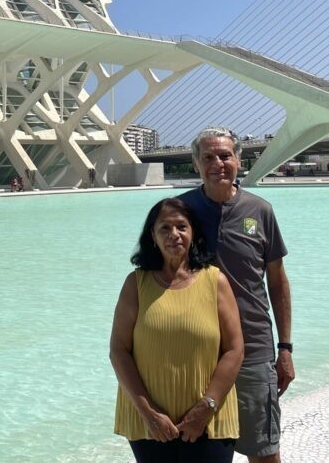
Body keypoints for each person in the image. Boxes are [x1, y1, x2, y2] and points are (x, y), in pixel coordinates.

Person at [180, 127, 293, 463]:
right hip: (195, 350)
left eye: (225, 155)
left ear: (238, 160)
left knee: (263, 451)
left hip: (253, 348)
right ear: (196, 164)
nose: (218, 163)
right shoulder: (178, 212)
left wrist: (285, 348)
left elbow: (277, 281)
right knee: (197, 450)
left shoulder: (260, 211)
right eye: (209, 157)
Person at [111, 197, 244, 462]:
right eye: (165, 228)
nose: (174, 235)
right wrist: (149, 413)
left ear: (193, 232)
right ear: (153, 235)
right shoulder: (136, 284)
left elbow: (234, 350)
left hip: (210, 419)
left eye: (182, 227)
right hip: (150, 423)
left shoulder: (215, 281)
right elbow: (119, 351)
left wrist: (206, 408)